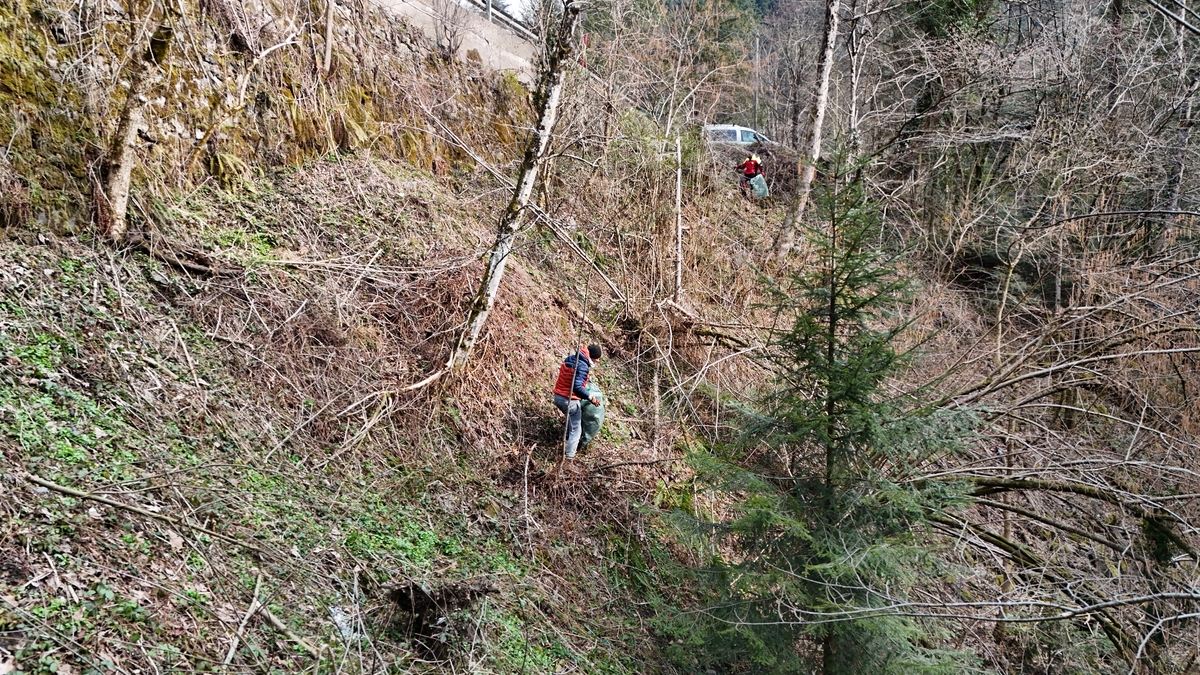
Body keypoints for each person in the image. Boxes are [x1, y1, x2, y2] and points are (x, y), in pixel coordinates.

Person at [552, 344, 602, 460]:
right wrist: (590, 397)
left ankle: (564, 443)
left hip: (558, 396)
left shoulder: (571, 359)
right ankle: (569, 457)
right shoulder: (583, 366)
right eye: (597, 358)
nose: (598, 361)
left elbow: (570, 379)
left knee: (571, 422)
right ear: (592, 357)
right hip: (569, 400)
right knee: (576, 430)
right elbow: (577, 387)